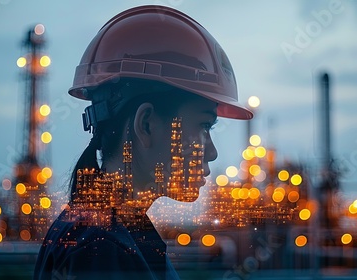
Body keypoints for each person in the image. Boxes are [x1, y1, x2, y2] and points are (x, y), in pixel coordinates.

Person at [34, 5, 252, 279]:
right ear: (146, 124)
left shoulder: (114, 235)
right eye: (204, 126)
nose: (212, 152)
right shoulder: (101, 249)